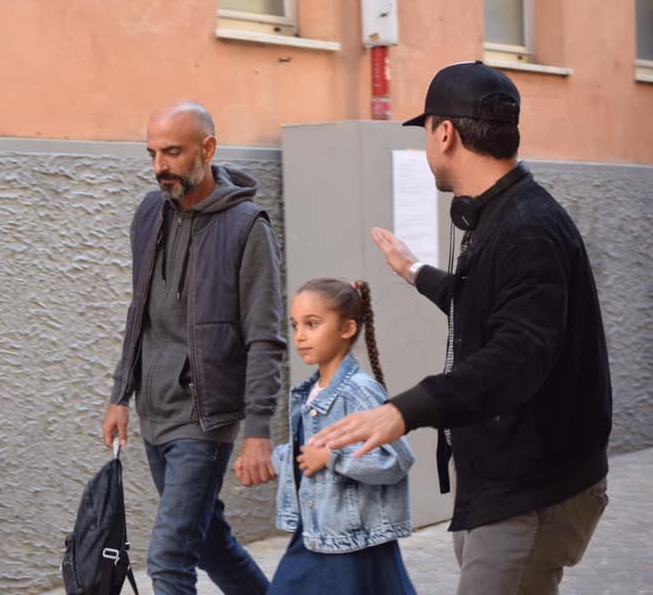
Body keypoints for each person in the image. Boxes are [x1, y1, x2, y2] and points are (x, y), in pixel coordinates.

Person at [309, 61, 612, 595]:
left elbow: (517, 354)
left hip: (531, 492)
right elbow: (487, 304)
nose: (428, 145)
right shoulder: (504, 215)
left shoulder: (527, 228)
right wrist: (416, 273)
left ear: (444, 132)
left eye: (426, 131)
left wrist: (406, 409)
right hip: (501, 484)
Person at [101, 100, 286, 595]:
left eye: (173, 152)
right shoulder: (149, 214)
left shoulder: (248, 226)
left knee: (168, 557)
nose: (160, 166)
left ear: (208, 149)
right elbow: (139, 311)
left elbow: (264, 335)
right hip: (154, 410)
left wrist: (258, 428)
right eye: (153, 153)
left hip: (206, 416)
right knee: (210, 543)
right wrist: (121, 394)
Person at [268, 278, 416, 595]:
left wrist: (332, 459)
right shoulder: (307, 393)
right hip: (316, 530)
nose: (300, 336)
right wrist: (274, 460)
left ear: (347, 329)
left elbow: (396, 459)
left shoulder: (359, 391)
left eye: (312, 324)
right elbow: (306, 452)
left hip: (349, 540)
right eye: (295, 325)